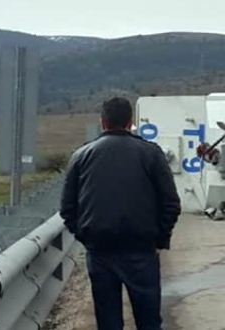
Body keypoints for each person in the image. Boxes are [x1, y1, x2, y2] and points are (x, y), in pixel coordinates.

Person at [59, 97, 181, 330]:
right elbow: (171, 203)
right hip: (142, 248)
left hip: (100, 249)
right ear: (130, 122)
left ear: (102, 123)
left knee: (108, 321)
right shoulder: (151, 154)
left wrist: (86, 237)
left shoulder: (81, 156)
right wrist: (160, 239)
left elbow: (67, 209)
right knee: (148, 321)